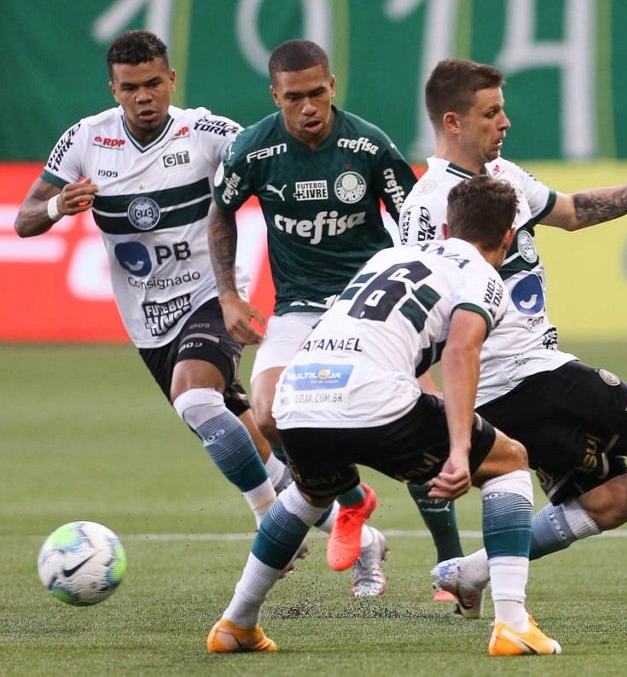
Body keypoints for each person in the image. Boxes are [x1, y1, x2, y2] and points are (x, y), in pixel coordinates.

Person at [400, 59, 627, 621]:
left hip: (529, 371)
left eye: (503, 109)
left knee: (611, 501)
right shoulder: (429, 202)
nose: (505, 121)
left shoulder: (502, 175)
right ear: (452, 122)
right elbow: (419, 306)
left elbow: (573, 211)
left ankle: (470, 572)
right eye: (491, 112)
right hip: (512, 376)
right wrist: (433, 395)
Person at [207, 176, 561, 656]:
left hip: (299, 392)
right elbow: (461, 352)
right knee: (510, 461)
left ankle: (237, 622)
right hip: (370, 397)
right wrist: (459, 451)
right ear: (508, 238)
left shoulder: (387, 258)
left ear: (445, 227)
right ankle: (513, 624)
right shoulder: (483, 276)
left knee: (312, 492)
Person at [12, 30, 292, 528]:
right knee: (247, 444)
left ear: (171, 80)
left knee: (195, 398)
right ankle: (358, 530)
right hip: (149, 320)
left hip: (212, 293)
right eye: (130, 88)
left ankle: (270, 520)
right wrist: (57, 206)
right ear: (113, 90)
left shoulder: (205, 132)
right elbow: (24, 220)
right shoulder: (85, 140)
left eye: (153, 84)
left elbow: (272, 159)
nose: (144, 97)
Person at [208, 40, 422, 594]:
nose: (308, 107)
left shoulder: (369, 145)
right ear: (275, 96)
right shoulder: (252, 150)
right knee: (267, 414)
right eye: (294, 97)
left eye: (317, 93)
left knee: (412, 419)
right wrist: (228, 295)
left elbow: (416, 223)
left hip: (368, 305)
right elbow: (221, 213)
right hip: (299, 306)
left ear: (332, 86)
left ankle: (449, 567)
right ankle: (352, 499)